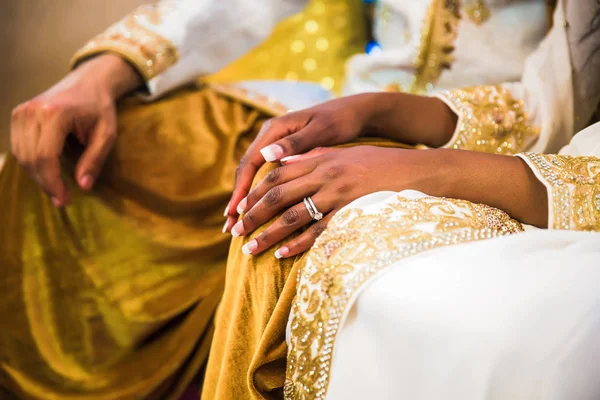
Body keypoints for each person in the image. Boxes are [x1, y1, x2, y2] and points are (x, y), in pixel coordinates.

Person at [1, 0, 554, 399]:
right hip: (332, 109)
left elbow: (554, 100)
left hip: (470, 143)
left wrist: (394, 131)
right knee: (75, 162)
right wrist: (105, 71)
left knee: (275, 226)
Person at [202, 0, 600, 398]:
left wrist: (426, 170)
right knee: (282, 185)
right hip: (512, 158)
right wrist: (371, 110)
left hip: (564, 219)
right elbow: (553, 101)